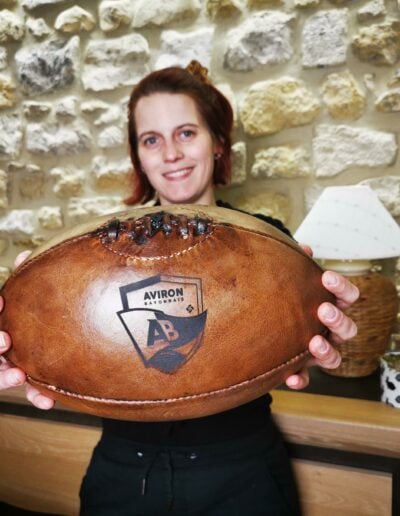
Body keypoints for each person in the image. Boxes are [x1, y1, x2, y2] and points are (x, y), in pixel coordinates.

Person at [0, 62, 358, 515]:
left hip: (242, 471)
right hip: (123, 473)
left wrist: (331, 325)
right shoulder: (92, 258)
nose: (170, 153)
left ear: (218, 143)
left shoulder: (272, 244)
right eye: (152, 140)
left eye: (187, 132)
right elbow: (51, 334)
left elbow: (308, 334)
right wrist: (18, 331)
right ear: (138, 157)